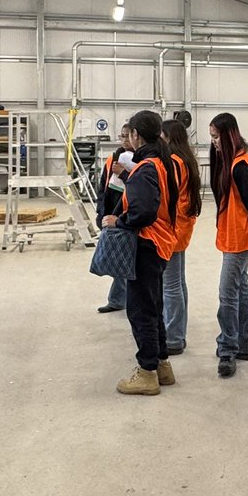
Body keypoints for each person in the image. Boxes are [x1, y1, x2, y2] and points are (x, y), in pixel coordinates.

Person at [103, 110, 179, 396]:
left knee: (140, 310)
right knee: (154, 306)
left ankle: (147, 372)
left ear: (136, 135)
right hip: (161, 242)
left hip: (146, 244)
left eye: (128, 134)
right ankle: (161, 366)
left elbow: (143, 212)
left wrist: (117, 220)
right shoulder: (162, 162)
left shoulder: (147, 166)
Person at [209, 113, 248, 378]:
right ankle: (245, 344)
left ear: (228, 134)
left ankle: (228, 348)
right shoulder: (231, 161)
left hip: (240, 237)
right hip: (232, 234)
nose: (213, 143)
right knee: (240, 288)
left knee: (227, 293)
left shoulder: (241, 165)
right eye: (211, 137)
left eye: (216, 137)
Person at [160, 118, 201, 356]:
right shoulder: (186, 160)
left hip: (173, 228)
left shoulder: (174, 163)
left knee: (171, 285)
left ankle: (174, 337)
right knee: (177, 282)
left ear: (168, 138)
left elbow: (168, 196)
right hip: (182, 227)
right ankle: (177, 333)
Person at [96, 122, 133, 314]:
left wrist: (124, 174)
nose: (125, 140)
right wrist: (100, 212)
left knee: (130, 259)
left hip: (131, 214)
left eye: (128, 136)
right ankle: (117, 299)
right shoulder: (113, 159)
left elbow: (139, 186)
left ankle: (124, 299)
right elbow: (103, 187)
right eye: (122, 136)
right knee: (118, 257)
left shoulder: (142, 160)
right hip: (113, 213)